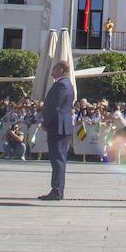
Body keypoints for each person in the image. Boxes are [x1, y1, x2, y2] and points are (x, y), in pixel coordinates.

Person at [39, 60, 75, 200]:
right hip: (60, 126)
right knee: (57, 159)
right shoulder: (65, 84)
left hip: (58, 126)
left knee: (58, 159)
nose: (52, 71)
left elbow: (54, 106)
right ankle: (57, 189)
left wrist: (45, 122)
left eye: (54, 68)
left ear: (60, 70)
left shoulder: (61, 85)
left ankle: (57, 190)